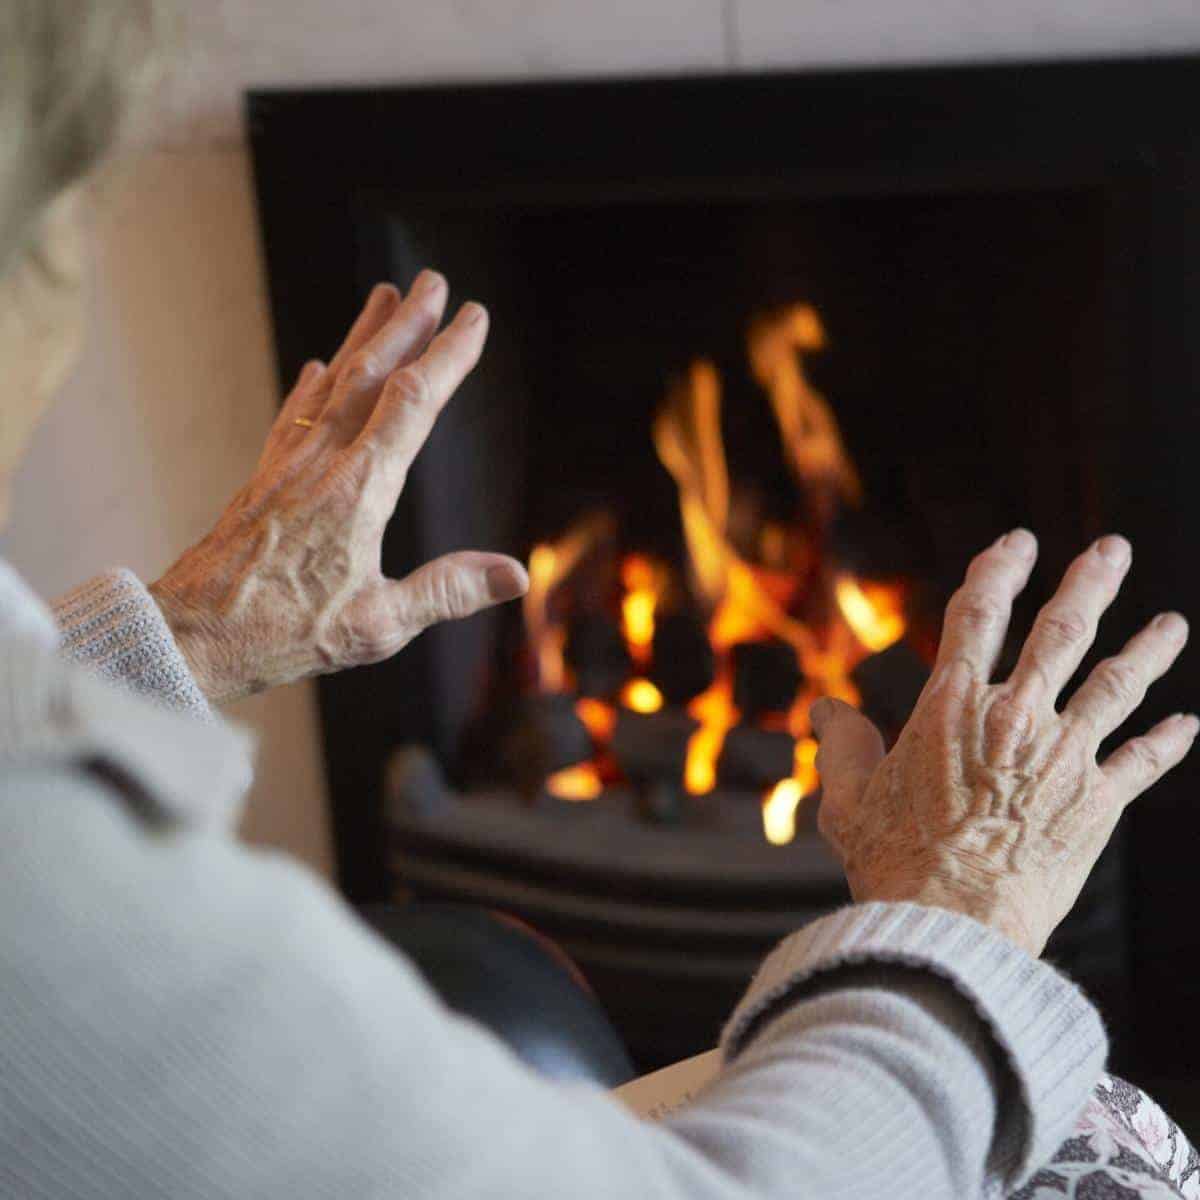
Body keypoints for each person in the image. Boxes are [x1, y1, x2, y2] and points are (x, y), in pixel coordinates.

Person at [0, 3, 1195, 1196]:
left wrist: (179, 640)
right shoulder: (65, 909)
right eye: (79, 203)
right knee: (1111, 1147)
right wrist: (961, 907)